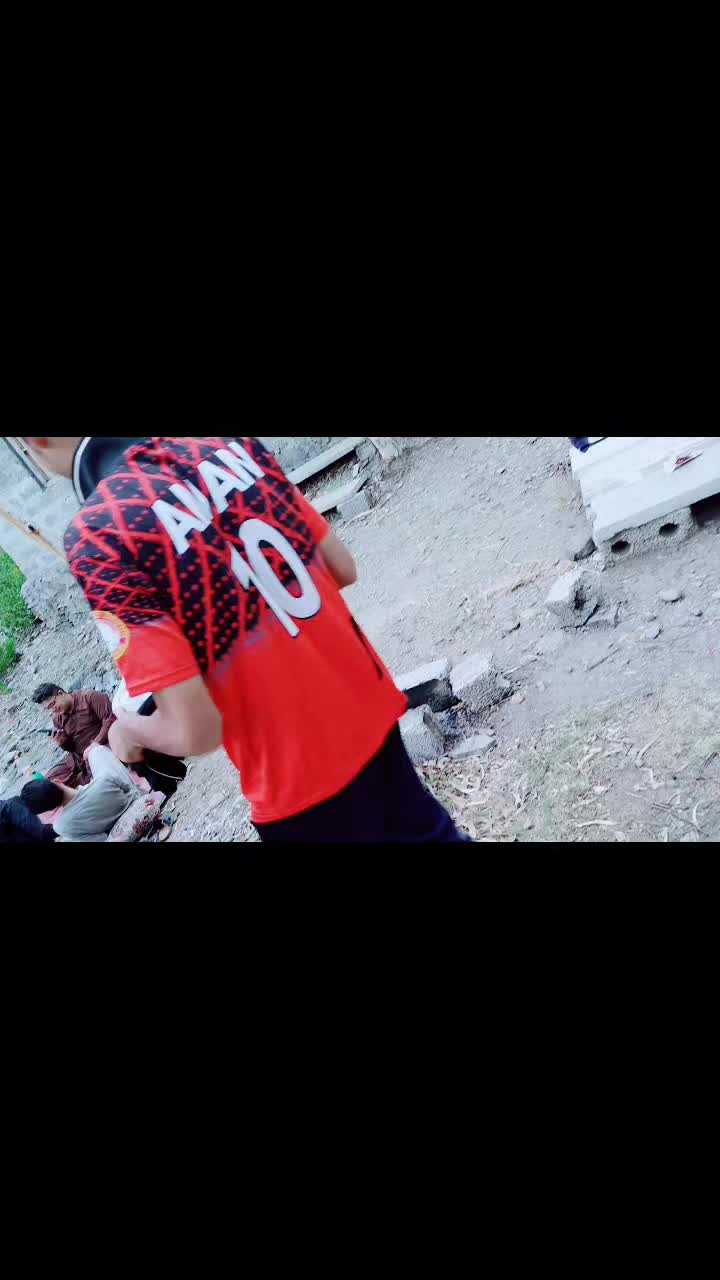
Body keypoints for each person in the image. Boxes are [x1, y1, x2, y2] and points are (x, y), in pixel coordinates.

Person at [24, 435, 468, 844]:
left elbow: (197, 731)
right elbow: (340, 567)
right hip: (367, 708)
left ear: (36, 441)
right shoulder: (223, 444)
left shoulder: (99, 534)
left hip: (294, 777)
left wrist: (128, 730)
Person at [20, 744, 159, 843]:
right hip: (136, 800)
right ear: (57, 781)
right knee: (96, 752)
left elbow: (101, 839)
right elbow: (130, 790)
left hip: (116, 832)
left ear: (51, 810)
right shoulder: (104, 779)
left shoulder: (61, 826)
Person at [32, 683, 116, 788]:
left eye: (52, 704)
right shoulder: (57, 719)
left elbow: (110, 719)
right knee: (49, 781)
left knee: (98, 761)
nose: (53, 710)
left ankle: (87, 780)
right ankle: (84, 779)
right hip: (78, 758)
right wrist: (63, 743)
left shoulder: (89, 697)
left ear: (61, 693)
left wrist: (95, 744)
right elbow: (71, 748)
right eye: (48, 709)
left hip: (102, 746)